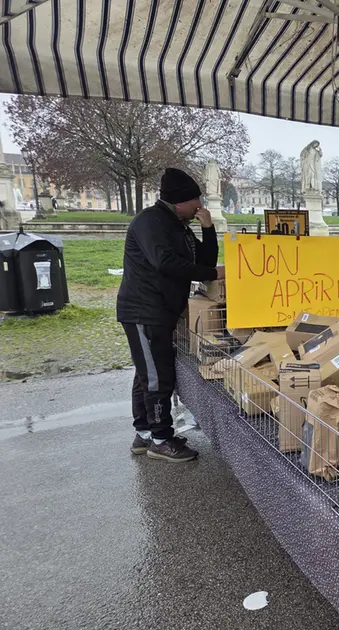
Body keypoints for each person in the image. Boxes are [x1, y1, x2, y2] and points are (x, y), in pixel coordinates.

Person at [117, 168, 224, 462]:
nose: (199, 206)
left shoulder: (179, 224)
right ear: (181, 201)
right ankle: (161, 439)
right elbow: (165, 262)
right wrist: (212, 273)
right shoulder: (150, 222)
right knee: (156, 376)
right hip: (144, 310)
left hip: (161, 310)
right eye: (195, 201)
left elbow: (203, 260)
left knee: (147, 372)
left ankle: (146, 433)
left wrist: (209, 229)